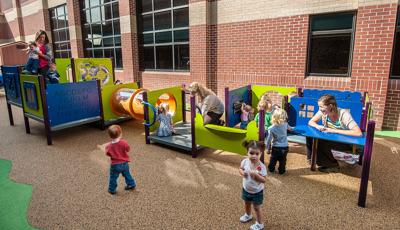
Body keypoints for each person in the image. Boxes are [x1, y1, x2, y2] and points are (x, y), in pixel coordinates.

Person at [307, 94, 362, 173]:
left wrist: (333, 130)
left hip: (344, 141)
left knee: (321, 141)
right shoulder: (322, 112)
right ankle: (312, 158)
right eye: (319, 106)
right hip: (331, 138)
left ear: (330, 106)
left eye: (322, 106)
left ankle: (332, 165)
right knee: (310, 135)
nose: (320, 109)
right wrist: (317, 126)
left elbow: (358, 133)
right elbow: (311, 122)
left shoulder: (344, 114)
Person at [239, 140, 267, 230]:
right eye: (251, 153)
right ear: (247, 152)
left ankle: (260, 223)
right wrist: (243, 173)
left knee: (256, 207)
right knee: (246, 203)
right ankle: (248, 215)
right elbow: (240, 169)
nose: (254, 156)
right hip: (246, 189)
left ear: (261, 154)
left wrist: (256, 176)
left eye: (257, 153)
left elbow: (264, 180)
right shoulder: (245, 162)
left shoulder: (261, 167)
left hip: (257, 192)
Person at [105, 125, 136, 195]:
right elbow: (128, 149)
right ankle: (132, 184)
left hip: (115, 165)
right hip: (125, 164)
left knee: (113, 177)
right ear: (120, 134)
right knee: (127, 174)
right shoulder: (124, 143)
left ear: (110, 136)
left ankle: (112, 189)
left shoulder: (109, 146)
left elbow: (108, 154)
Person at [265, 108, 292, 175]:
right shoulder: (285, 124)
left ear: (274, 117)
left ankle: (271, 169)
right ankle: (281, 171)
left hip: (276, 147)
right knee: (283, 160)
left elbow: (269, 139)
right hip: (285, 147)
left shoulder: (271, 128)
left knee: (273, 159)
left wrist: (267, 147)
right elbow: (290, 129)